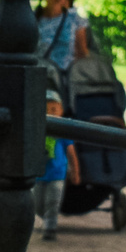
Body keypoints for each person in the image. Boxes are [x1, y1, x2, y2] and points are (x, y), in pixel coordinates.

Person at [32, 94, 79, 239]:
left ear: (61, 111)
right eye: (46, 109)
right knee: (38, 204)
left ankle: (50, 229)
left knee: (53, 202)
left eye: (54, 109)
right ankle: (45, 219)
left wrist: (75, 172)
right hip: (39, 175)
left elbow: (71, 153)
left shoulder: (62, 131)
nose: (50, 113)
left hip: (57, 174)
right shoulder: (37, 130)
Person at [35, 0, 89, 93]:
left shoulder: (75, 20)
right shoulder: (33, 20)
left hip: (65, 84)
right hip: (40, 83)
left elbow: (82, 53)